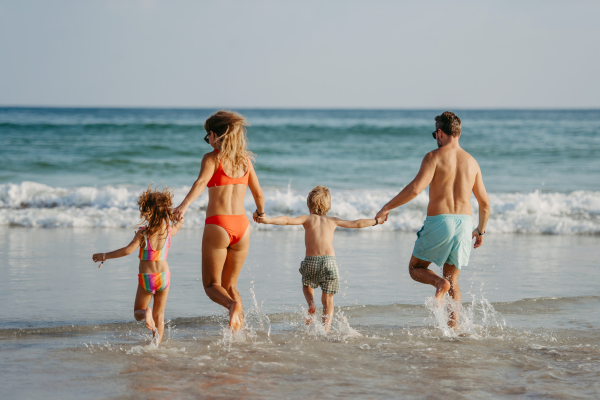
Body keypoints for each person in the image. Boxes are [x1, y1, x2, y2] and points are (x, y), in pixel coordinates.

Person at [375, 111, 491, 329]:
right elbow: (485, 204)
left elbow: (415, 189)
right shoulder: (472, 162)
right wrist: (481, 231)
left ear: (440, 132)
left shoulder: (434, 157)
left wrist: (386, 207)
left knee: (415, 268)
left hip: (441, 221)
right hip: (465, 224)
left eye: (434, 134)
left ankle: (439, 283)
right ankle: (453, 329)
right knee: (454, 279)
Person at [173, 110, 265, 332]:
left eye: (208, 136)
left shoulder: (212, 158)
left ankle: (231, 306)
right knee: (231, 285)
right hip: (242, 227)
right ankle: (238, 332)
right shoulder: (246, 162)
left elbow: (200, 183)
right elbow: (259, 195)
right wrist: (260, 214)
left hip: (218, 225)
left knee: (212, 285)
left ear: (214, 135)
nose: (208, 140)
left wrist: (182, 206)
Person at [257, 186, 382, 332]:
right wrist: (376, 221)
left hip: (311, 260)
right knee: (328, 299)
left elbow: (286, 220)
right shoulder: (333, 220)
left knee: (306, 285)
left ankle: (311, 304)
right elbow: (357, 223)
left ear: (308, 204)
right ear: (328, 206)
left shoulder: (306, 219)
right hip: (329, 261)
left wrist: (267, 220)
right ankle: (326, 329)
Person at [92, 186, 184, 344]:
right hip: (164, 276)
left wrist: (105, 256)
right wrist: (179, 216)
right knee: (160, 314)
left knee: (137, 313)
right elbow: (179, 223)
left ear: (147, 211)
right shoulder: (169, 231)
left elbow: (128, 250)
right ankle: (156, 344)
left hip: (147, 278)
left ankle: (145, 313)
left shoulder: (143, 233)